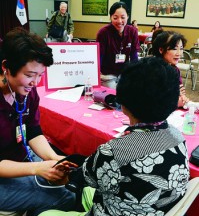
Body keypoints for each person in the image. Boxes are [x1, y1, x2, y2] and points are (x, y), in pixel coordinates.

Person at [38, 57, 190, 216]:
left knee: (43, 213)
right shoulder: (178, 137)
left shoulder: (113, 152)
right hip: (156, 209)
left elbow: (81, 178)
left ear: (123, 104)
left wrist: (63, 176)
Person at [0, 27, 77, 216]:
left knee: (69, 186)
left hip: (20, 159)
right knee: (65, 198)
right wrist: (37, 168)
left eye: (40, 75)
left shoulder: (27, 93)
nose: (36, 83)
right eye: (29, 75)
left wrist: (54, 158)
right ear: (6, 67)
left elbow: (33, 131)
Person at [96, 1, 140, 89]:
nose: (119, 21)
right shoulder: (103, 32)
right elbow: (99, 57)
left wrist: (135, 74)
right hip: (107, 74)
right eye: (115, 18)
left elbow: (134, 55)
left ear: (128, 16)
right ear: (110, 17)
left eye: (123, 17)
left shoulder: (132, 31)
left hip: (124, 73)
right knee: (113, 96)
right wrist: (96, 75)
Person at [152, 30, 190, 107]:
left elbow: (180, 92)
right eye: (175, 48)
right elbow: (151, 101)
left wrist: (182, 97)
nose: (179, 53)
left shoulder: (175, 70)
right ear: (161, 50)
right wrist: (175, 102)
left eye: (181, 48)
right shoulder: (152, 70)